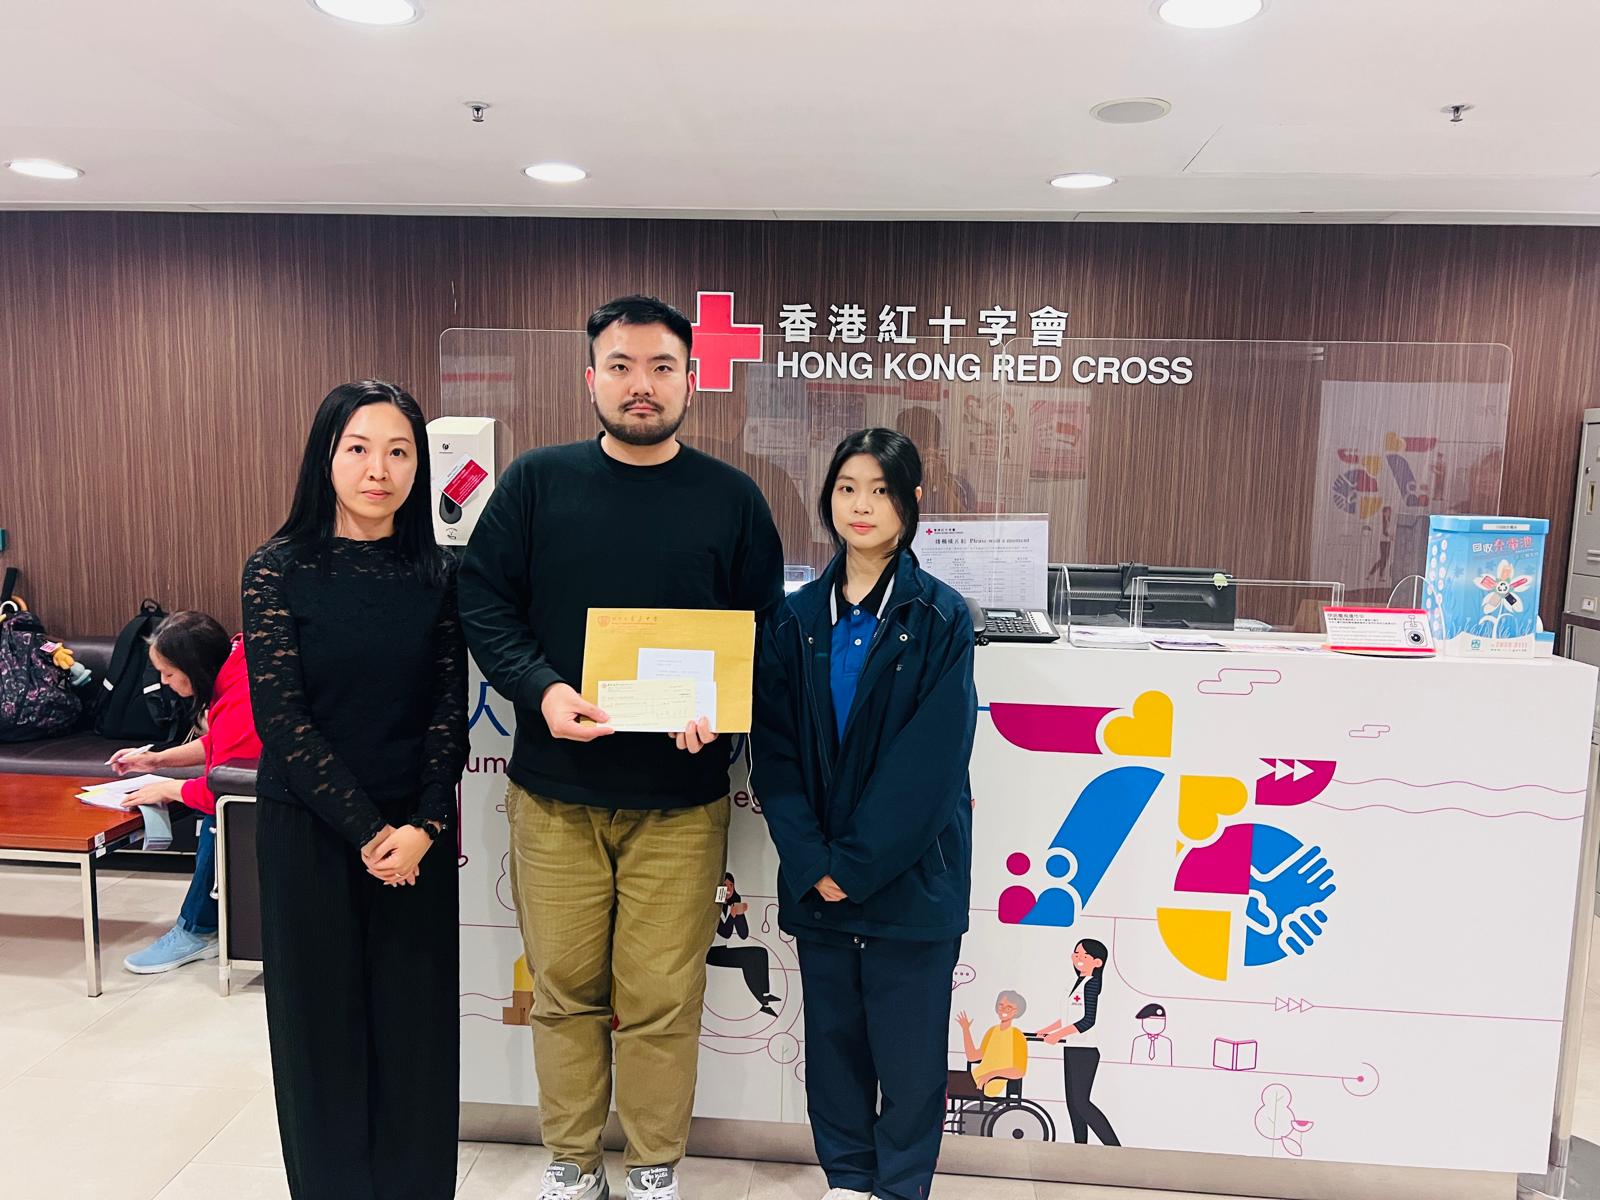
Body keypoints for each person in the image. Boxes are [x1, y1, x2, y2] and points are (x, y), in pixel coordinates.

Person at [458, 295, 784, 1200]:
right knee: (563, 993)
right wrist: (542, 688)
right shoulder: (537, 483)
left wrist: (722, 709)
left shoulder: (733, 498)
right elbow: (483, 600)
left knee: (662, 1001)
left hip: (679, 804)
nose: (642, 385)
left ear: (691, 380)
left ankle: (651, 1169)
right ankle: (571, 1163)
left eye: (661, 368)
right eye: (622, 366)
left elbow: (763, 631)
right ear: (591, 377)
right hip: (554, 794)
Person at [241, 379, 468, 1200]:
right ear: (325, 458)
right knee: (320, 1040)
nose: (380, 470)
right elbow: (283, 720)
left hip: (416, 841)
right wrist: (371, 833)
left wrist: (423, 828)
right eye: (360, 449)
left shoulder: (439, 572)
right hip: (310, 831)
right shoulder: (276, 568)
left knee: (415, 1039)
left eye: (400, 452)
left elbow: (448, 714)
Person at [751, 427, 978, 1200]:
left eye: (880, 490)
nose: (861, 505)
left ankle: (901, 1187)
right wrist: (812, 862)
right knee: (835, 1047)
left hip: (909, 881)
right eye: (847, 488)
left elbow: (930, 766)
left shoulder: (941, 617)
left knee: (910, 1059)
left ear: (912, 501)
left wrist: (852, 865)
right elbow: (775, 752)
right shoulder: (794, 620)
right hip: (818, 882)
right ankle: (847, 1180)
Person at [110, 610, 262, 974]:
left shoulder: (241, 697)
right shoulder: (235, 667)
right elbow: (223, 744)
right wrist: (155, 760)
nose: (164, 683)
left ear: (194, 668)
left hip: (264, 795)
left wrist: (169, 788)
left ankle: (197, 929)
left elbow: (221, 791)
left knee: (217, 818)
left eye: (168, 674)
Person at [1038, 938, 1120, 1145]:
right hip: (1071, 1048)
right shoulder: (1074, 983)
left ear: (1097, 962)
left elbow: (1087, 1020)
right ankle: (1080, 1147)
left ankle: (1114, 1147)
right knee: (1073, 1105)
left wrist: (1058, 1034)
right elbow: (1067, 1016)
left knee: (1082, 1103)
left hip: (1085, 1050)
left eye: (1084, 955)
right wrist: (1047, 1030)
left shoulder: (1091, 984)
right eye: (1076, 954)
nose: (1078, 958)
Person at [705, 871, 781, 1017]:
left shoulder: (732, 904)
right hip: (711, 952)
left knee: (761, 952)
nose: (728, 889)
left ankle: (765, 994)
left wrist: (739, 914)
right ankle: (762, 1001)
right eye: (725, 885)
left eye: (731, 885)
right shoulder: (714, 906)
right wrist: (733, 914)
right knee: (748, 959)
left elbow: (743, 934)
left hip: (724, 949)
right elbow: (725, 932)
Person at [955, 990, 1028, 1097]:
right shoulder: (992, 1031)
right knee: (950, 1081)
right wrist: (965, 1029)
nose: (1003, 1010)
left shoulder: (1017, 1035)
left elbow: (1019, 1071)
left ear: (1016, 1011)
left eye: (1008, 1008)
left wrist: (990, 1075)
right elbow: (972, 1056)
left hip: (993, 1082)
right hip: (977, 1076)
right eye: (1000, 1005)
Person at [1129, 1002, 1174, 1066]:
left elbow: (1168, 1064)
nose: (1154, 1025)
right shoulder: (1138, 1041)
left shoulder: (1167, 1042)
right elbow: (1133, 1062)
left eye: (1158, 1022)